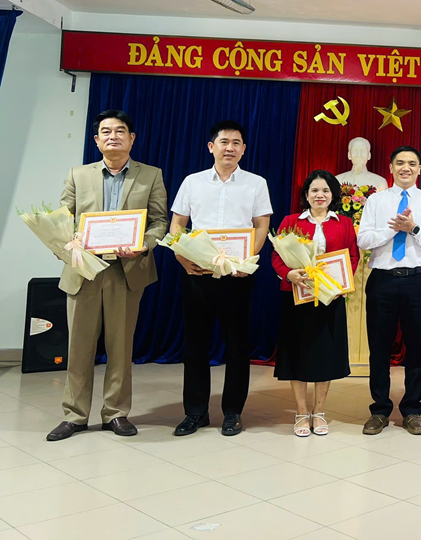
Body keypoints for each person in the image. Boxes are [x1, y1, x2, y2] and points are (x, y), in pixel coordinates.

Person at [47, 110, 168, 442]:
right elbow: (63, 218)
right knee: (79, 347)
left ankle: (115, 413)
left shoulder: (151, 175)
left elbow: (160, 221)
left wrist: (144, 245)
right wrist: (64, 242)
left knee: (120, 347)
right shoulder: (78, 174)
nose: (113, 136)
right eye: (106, 131)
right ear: (97, 140)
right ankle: (75, 415)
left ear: (132, 138)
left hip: (126, 272)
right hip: (84, 269)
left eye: (120, 131)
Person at [169, 120, 272, 437]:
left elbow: (261, 225)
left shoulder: (256, 183)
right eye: (224, 142)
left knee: (238, 345)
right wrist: (182, 257)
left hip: (237, 276)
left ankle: (233, 412)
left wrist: (247, 260)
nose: (230, 147)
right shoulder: (193, 182)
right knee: (195, 345)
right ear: (211, 146)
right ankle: (195, 412)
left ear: (244, 149)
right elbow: (177, 224)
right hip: (198, 273)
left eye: (236, 143)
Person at [357, 146, 421, 435]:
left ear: (419, 169)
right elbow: (363, 240)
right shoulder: (376, 200)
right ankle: (379, 410)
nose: (405, 167)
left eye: (412, 163)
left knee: (417, 347)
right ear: (391, 167)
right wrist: (395, 229)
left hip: (418, 281)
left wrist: (414, 228)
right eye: (400, 163)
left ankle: (412, 410)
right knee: (379, 347)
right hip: (382, 280)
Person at [272, 170, 359, 437]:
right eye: (314, 190)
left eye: (325, 191)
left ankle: (319, 411)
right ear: (306, 195)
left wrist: (342, 284)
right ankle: (301, 412)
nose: (320, 195)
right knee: (297, 355)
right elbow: (277, 256)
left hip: (330, 299)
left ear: (333, 195)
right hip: (297, 298)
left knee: (325, 356)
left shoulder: (344, 223)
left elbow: (352, 257)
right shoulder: (290, 221)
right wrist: (288, 273)